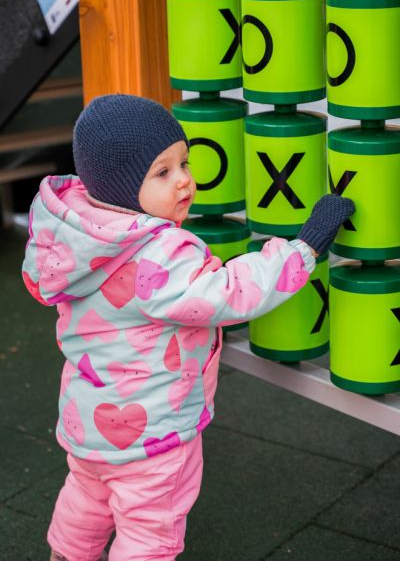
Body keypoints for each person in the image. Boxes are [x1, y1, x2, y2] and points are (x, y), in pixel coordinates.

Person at [22, 94, 354, 561]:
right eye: (162, 172)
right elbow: (230, 292)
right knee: (149, 530)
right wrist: (304, 247)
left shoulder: (78, 238)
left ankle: (65, 556)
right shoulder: (158, 256)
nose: (183, 179)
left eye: (184, 163)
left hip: (86, 426)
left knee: (86, 497)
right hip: (153, 436)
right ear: (120, 188)